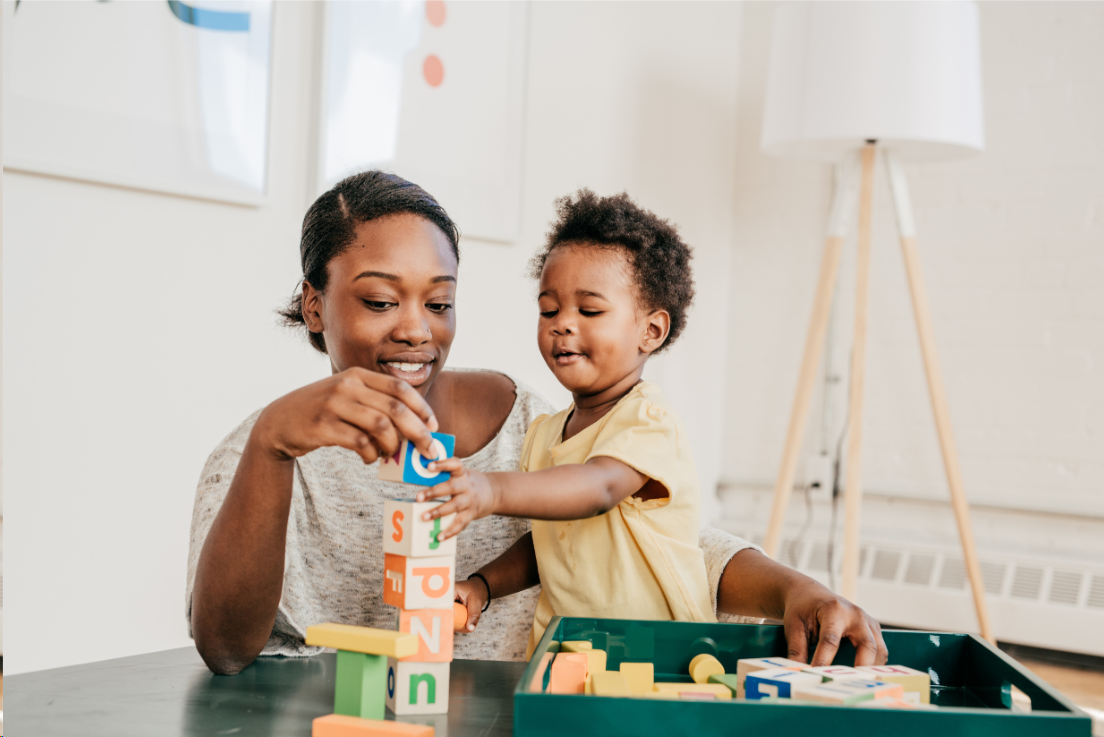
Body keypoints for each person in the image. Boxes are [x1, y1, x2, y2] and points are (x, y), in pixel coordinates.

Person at [187, 170, 887, 676]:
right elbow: (224, 648)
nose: (414, 330)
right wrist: (272, 446)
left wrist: (799, 587)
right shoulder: (260, 451)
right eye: (377, 301)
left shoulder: (537, 419)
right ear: (315, 306)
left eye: (439, 303)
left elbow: (664, 542)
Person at [420, 190, 716, 655]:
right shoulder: (544, 434)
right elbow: (550, 544)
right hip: (567, 656)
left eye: (590, 310)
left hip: (658, 658)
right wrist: (483, 585)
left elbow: (597, 490)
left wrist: (491, 490)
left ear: (651, 331)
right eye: (549, 310)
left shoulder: (647, 420)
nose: (563, 324)